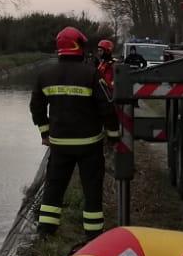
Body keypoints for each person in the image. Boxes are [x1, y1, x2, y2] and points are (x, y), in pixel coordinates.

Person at [30, 26, 120, 236]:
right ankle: (93, 235)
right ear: (78, 47)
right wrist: (114, 136)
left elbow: (36, 107)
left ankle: (45, 233)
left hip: (60, 144)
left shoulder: (45, 75)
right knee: (92, 190)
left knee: (53, 188)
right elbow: (106, 107)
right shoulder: (91, 74)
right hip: (90, 145)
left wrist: (45, 133)